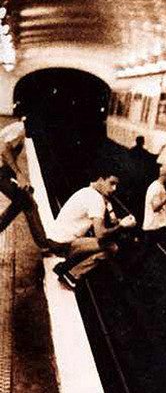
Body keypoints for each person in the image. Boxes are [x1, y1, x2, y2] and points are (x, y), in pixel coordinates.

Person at [50, 167, 136, 289]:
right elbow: (100, 233)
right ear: (101, 180)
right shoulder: (97, 200)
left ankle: (64, 266)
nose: (114, 189)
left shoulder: (87, 191)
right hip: (63, 246)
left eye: (116, 185)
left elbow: (107, 220)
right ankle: (71, 275)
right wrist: (121, 226)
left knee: (97, 240)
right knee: (111, 247)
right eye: (111, 183)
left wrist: (116, 221)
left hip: (56, 239)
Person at [0, 119, 67, 254]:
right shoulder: (19, 129)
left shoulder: (19, 130)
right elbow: (4, 150)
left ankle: (44, 243)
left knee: (22, 200)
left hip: (3, 171)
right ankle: (44, 244)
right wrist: (19, 174)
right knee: (28, 203)